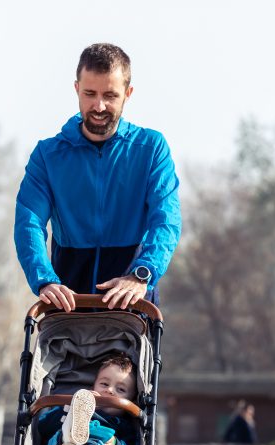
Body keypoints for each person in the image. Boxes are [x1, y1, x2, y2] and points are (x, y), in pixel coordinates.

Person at [14, 43, 181, 312]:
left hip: (131, 297)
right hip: (67, 298)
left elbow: (166, 220)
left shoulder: (151, 149)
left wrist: (143, 273)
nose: (99, 105)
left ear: (128, 94)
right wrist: (44, 280)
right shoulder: (47, 155)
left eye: (110, 95)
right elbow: (28, 222)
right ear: (77, 88)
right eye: (90, 93)